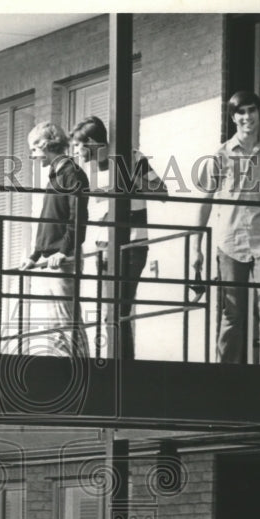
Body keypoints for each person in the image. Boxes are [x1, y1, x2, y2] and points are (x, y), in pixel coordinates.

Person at [193, 90, 260, 364]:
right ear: (233, 118)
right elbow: (205, 201)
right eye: (240, 113)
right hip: (230, 242)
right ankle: (227, 375)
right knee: (232, 310)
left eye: (251, 111)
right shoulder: (220, 155)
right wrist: (196, 247)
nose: (247, 117)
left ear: (259, 113)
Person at [70, 115, 168, 359]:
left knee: (119, 310)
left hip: (133, 243)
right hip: (104, 244)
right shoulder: (90, 168)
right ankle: (116, 363)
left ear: (92, 142)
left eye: (78, 146)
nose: (76, 151)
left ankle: (125, 367)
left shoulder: (133, 157)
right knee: (109, 312)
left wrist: (131, 178)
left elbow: (162, 191)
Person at [18, 121, 89, 358]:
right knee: (56, 325)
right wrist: (35, 255)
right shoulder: (54, 177)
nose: (34, 156)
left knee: (67, 322)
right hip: (51, 259)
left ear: (46, 145)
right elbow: (48, 222)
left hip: (61, 259)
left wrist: (63, 251)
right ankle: (64, 370)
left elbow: (77, 216)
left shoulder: (71, 173)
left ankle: (81, 369)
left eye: (35, 149)